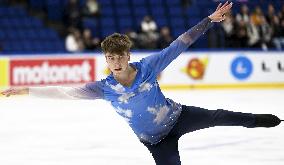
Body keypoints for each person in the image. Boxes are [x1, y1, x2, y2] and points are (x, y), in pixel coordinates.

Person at [1, 2, 282, 165]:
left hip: (179, 116)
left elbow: (180, 44)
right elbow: (63, 92)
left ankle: (258, 120)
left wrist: (209, 20)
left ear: (127, 55)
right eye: (110, 58)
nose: (116, 62)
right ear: (106, 59)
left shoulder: (149, 67)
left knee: (218, 116)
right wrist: (25, 90)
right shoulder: (103, 88)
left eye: (120, 56)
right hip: (155, 142)